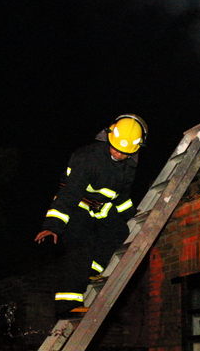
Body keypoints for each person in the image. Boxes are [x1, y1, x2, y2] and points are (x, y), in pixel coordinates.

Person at [35, 114, 147, 318]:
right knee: (80, 246)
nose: (118, 154)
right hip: (77, 205)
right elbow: (69, 193)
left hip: (100, 209)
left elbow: (121, 195)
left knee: (119, 232)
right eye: (115, 148)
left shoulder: (129, 164)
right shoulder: (88, 157)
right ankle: (66, 305)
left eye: (124, 152)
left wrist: (132, 215)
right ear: (108, 136)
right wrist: (53, 225)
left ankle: (91, 271)